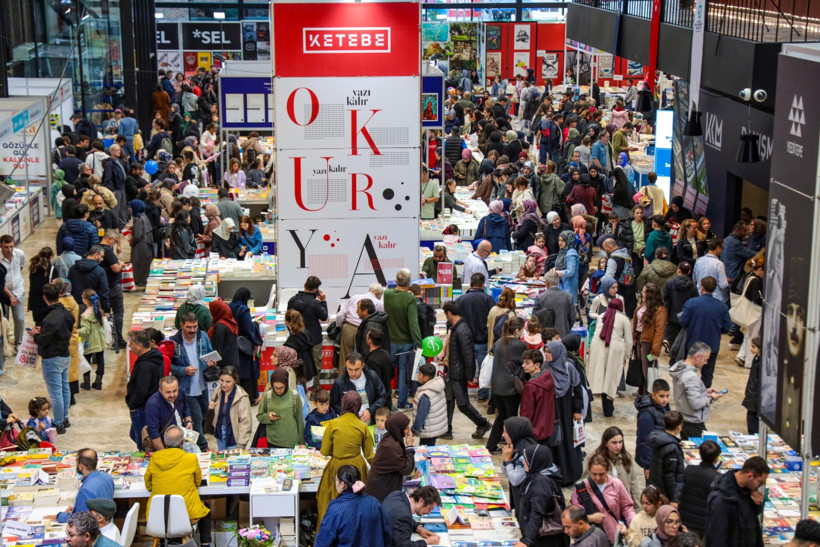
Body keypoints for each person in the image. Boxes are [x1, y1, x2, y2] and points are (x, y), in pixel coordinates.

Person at [144, 426, 212, 547]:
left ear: (165, 441)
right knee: (205, 508)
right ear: (182, 442)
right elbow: (197, 482)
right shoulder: (190, 459)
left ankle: (163, 542)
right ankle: (205, 543)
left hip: (159, 515)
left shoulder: (155, 458)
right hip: (187, 515)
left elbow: (148, 485)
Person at [317, 392, 375, 524]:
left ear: (343, 404)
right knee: (357, 505)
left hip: (337, 466)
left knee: (330, 502)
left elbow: (324, 451)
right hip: (357, 467)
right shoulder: (362, 426)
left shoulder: (333, 424)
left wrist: (337, 450)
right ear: (358, 406)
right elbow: (369, 455)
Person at [442, 301, 492, 440]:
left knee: (463, 404)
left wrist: (470, 376)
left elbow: (468, 355)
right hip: (453, 371)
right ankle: (446, 430)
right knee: (448, 400)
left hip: (458, 373)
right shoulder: (457, 328)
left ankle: (482, 423)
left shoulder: (462, 330)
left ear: (449, 313)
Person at [170, 312, 217, 452]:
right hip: (187, 389)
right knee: (196, 418)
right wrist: (183, 370)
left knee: (203, 415)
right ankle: (203, 447)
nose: (192, 330)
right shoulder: (174, 343)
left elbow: (210, 353)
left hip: (203, 386)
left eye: (195, 327)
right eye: (189, 327)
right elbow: (170, 366)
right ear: (182, 325)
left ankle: (193, 443)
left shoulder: (203, 336)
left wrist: (211, 361)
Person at [31, 284, 75, 433]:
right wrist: (44, 331)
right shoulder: (67, 313)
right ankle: (65, 418)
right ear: (59, 295)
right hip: (65, 355)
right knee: (65, 388)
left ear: (44, 298)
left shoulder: (49, 318)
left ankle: (59, 423)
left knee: (56, 393)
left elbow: (43, 340)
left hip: (52, 358)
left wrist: (35, 335)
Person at [678, 277, 733, 389]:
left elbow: (683, 321)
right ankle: (704, 393)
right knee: (708, 374)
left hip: (693, 343)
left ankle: (689, 392)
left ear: (702, 287)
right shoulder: (722, 306)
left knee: (689, 371)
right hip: (712, 345)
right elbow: (727, 327)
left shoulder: (691, 303)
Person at [315, 465, 392, 545]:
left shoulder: (335, 509)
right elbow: (387, 534)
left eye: (336, 480)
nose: (335, 483)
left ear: (342, 484)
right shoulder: (374, 502)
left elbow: (323, 541)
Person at [571, 454, 637, 544]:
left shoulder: (616, 484)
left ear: (608, 470)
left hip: (612, 535)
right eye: (594, 474)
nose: (597, 478)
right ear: (589, 471)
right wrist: (591, 518)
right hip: (589, 539)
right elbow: (574, 514)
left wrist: (633, 523)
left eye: (601, 474)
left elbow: (627, 507)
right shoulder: (581, 488)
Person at [545, 340, 585, 485]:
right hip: (551, 411)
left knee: (567, 440)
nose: (546, 355)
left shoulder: (568, 367)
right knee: (554, 440)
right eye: (546, 352)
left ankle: (569, 474)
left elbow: (578, 388)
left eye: (549, 352)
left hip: (567, 410)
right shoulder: (545, 367)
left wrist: (577, 409)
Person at [705, 456, 769, 547]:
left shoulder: (747, 490)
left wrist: (756, 505)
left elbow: (749, 517)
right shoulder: (722, 498)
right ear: (750, 476)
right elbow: (717, 536)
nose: (760, 486)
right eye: (761, 482)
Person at [514, 444, 567, 547]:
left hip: (544, 539)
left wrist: (526, 540)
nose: (523, 462)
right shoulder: (540, 475)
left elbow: (537, 512)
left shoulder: (541, 482)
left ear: (534, 461)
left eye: (526, 459)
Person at [668, 343, 725, 439]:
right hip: (693, 422)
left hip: (684, 418)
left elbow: (685, 393)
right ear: (697, 357)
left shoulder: (680, 368)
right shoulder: (691, 376)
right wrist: (711, 398)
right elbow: (696, 404)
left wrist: (703, 392)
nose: (706, 363)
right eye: (705, 359)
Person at [384, 269, 422, 410]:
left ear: (396, 280)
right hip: (406, 342)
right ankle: (402, 403)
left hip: (390, 340)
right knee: (404, 374)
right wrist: (418, 343)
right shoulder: (409, 299)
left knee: (388, 372)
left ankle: (385, 400)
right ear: (409, 282)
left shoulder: (387, 294)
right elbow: (413, 323)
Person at [486, 317, 526, 451]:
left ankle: (491, 446)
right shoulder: (520, 345)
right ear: (517, 330)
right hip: (511, 387)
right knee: (511, 418)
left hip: (497, 386)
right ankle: (512, 446)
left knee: (501, 417)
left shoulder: (498, 342)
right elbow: (524, 364)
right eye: (522, 329)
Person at [588, 298, 633, 417]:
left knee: (599, 376)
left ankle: (593, 405)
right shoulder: (624, 319)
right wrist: (626, 356)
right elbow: (629, 341)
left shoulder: (601, 316)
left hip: (598, 346)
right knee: (610, 379)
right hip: (614, 349)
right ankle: (608, 409)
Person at [582, 426, 643, 509]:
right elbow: (586, 482)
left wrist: (638, 508)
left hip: (624, 504)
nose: (618, 446)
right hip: (603, 506)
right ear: (606, 443)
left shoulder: (626, 458)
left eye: (620, 442)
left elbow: (633, 484)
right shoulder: (595, 459)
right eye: (614, 443)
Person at [458, 272, 497, 403]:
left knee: (465, 367)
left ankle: (462, 394)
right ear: (482, 284)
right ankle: (483, 393)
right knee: (484, 368)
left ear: (470, 284)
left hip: (465, 340)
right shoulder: (488, 299)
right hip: (482, 340)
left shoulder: (461, 299)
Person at [364, 413, 416, 502]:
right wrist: (410, 446)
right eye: (406, 428)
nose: (409, 430)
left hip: (384, 485)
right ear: (398, 428)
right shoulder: (390, 446)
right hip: (380, 490)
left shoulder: (391, 437)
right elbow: (407, 469)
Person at [126, 331, 164, 450]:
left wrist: (132, 404)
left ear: (140, 346)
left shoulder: (145, 365)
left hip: (142, 409)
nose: (129, 346)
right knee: (134, 434)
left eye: (131, 343)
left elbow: (142, 390)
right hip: (148, 406)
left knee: (142, 442)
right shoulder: (154, 358)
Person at [287, 275, 328, 381]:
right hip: (314, 339)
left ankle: (297, 386)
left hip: (296, 339)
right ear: (315, 290)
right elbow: (324, 317)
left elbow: (288, 319)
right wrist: (323, 301)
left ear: (305, 284)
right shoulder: (316, 303)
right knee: (315, 366)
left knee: (296, 366)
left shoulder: (292, 300)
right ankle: (314, 388)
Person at [56, 449, 115, 522]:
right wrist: (77, 509)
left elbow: (81, 521)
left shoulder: (85, 490)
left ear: (81, 466)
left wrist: (59, 516)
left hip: (96, 526)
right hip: (107, 523)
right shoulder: (107, 477)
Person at [678, 440, 720, 536]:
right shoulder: (717, 478)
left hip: (685, 519)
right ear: (716, 459)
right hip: (703, 524)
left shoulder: (689, 470)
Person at [330, 352, 387, 423]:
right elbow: (334, 404)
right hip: (350, 422)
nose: (353, 373)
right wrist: (347, 415)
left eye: (356, 369)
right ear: (346, 365)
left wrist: (370, 411)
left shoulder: (372, 376)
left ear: (363, 366)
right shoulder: (339, 382)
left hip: (371, 419)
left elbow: (382, 396)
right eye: (350, 369)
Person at [633, 283, 668, 395]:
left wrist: (655, 351)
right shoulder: (643, 305)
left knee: (647, 369)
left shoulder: (660, 310)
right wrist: (634, 337)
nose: (642, 293)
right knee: (640, 367)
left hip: (648, 345)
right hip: (640, 341)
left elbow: (659, 332)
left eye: (643, 292)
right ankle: (641, 390)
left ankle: (648, 393)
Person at [229, 288, 263, 400]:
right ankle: (249, 397)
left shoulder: (229, 306)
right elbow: (249, 329)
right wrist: (256, 325)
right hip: (245, 346)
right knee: (247, 373)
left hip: (233, 344)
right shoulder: (243, 309)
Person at [256, 368, 303, 448]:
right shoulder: (267, 396)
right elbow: (259, 416)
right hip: (272, 440)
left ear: (286, 384)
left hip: (291, 440)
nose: (278, 390)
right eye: (276, 387)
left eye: (281, 387)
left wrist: (302, 442)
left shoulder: (294, 396)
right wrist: (268, 417)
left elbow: (299, 420)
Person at [519, 349, 557, 444]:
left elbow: (527, 410)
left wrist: (523, 428)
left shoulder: (531, 386)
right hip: (547, 426)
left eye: (527, 363)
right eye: (523, 362)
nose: (523, 365)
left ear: (537, 365)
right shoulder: (548, 377)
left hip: (534, 429)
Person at [647, 411, 685, 504]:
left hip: (657, 487)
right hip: (665, 494)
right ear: (679, 427)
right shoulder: (671, 448)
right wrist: (674, 499)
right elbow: (669, 476)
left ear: (664, 423)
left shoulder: (658, 439)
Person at [635, 379, 671, 472]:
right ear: (653, 395)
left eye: (667, 396)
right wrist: (648, 466)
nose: (665, 399)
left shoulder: (663, 407)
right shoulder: (646, 415)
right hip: (652, 460)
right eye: (661, 396)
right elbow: (645, 441)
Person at [661, 261, 699, 350]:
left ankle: (672, 353)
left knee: (672, 339)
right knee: (684, 341)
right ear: (689, 271)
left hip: (672, 317)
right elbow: (695, 302)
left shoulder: (669, 283)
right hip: (686, 317)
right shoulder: (692, 286)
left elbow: (663, 297)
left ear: (678, 270)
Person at [97, 230, 125, 348]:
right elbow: (116, 269)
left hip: (102, 287)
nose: (114, 244)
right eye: (115, 241)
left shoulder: (97, 248)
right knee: (118, 312)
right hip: (113, 286)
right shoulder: (107, 251)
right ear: (110, 239)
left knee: (103, 313)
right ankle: (118, 340)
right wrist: (121, 265)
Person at [411, 363, 447, 446]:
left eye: (419, 374)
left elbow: (421, 415)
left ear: (426, 378)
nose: (417, 375)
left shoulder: (425, 395)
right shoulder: (438, 387)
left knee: (425, 450)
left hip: (428, 430)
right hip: (435, 427)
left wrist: (414, 429)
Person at [533, 271, 576, 337]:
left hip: (546, 335)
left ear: (546, 282)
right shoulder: (568, 297)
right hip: (563, 334)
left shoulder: (540, 297)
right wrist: (566, 329)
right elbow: (572, 318)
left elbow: (535, 318)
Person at [1, 235, 26, 346]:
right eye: (6, 247)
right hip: (2, 294)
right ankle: (4, 344)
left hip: (18, 291)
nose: (9, 250)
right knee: (3, 320)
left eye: (11, 246)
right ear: (1, 246)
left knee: (19, 319)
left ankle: (18, 344)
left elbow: (21, 267)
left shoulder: (20, 254)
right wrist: (10, 295)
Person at [78, 289, 106, 390]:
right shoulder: (99, 310)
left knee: (86, 361)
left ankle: (86, 383)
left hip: (89, 342)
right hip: (100, 340)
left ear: (85, 300)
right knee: (100, 361)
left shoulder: (85, 315)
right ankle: (98, 382)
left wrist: (76, 331)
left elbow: (86, 330)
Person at [692, 239, 729, 303]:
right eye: (722, 248)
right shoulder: (719, 264)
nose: (722, 251)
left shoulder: (698, 261)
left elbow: (694, 279)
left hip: (700, 296)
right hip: (715, 299)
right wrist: (726, 280)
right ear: (718, 248)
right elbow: (723, 285)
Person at [721, 221, 758, 286]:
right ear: (737, 230)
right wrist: (762, 253)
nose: (746, 233)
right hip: (733, 277)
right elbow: (749, 254)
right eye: (744, 231)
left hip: (725, 275)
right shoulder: (735, 243)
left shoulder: (725, 240)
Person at [207, 299, 239, 369]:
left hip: (223, 366)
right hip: (233, 363)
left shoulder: (219, 327)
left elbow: (217, 349)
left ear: (216, 311)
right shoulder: (231, 323)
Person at [365, 330, 394, 406]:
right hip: (387, 396)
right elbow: (392, 374)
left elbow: (374, 384)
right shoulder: (385, 353)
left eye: (367, 336)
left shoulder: (372, 361)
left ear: (370, 341)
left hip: (378, 401)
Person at [552, 230, 580, 304]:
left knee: (567, 305)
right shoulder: (562, 251)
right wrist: (554, 269)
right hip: (561, 283)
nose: (560, 243)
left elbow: (571, 271)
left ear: (568, 241)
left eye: (563, 240)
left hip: (569, 285)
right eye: (559, 240)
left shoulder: (571, 253)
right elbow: (559, 265)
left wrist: (559, 273)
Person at [742, 336, 762, 434]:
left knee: (753, 419)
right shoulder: (756, 358)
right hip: (752, 392)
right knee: (750, 416)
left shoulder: (762, 362)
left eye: (753, 346)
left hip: (756, 394)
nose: (750, 348)